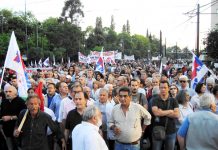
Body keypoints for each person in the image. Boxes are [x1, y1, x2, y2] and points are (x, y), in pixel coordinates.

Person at [152, 80, 180, 150]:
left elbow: (177, 115)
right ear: (159, 88)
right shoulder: (155, 100)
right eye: (161, 87)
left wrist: (162, 112)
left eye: (165, 87)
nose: (163, 89)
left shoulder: (173, 100)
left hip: (171, 131)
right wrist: (170, 111)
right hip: (158, 130)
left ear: (168, 88)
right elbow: (156, 113)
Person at [0, 85, 26, 150]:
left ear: (15, 93)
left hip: (17, 129)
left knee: (18, 147)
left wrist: (11, 117)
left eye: (10, 91)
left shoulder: (21, 102)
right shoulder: (4, 101)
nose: (7, 93)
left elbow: (24, 115)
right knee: (9, 147)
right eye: (6, 92)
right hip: (6, 129)